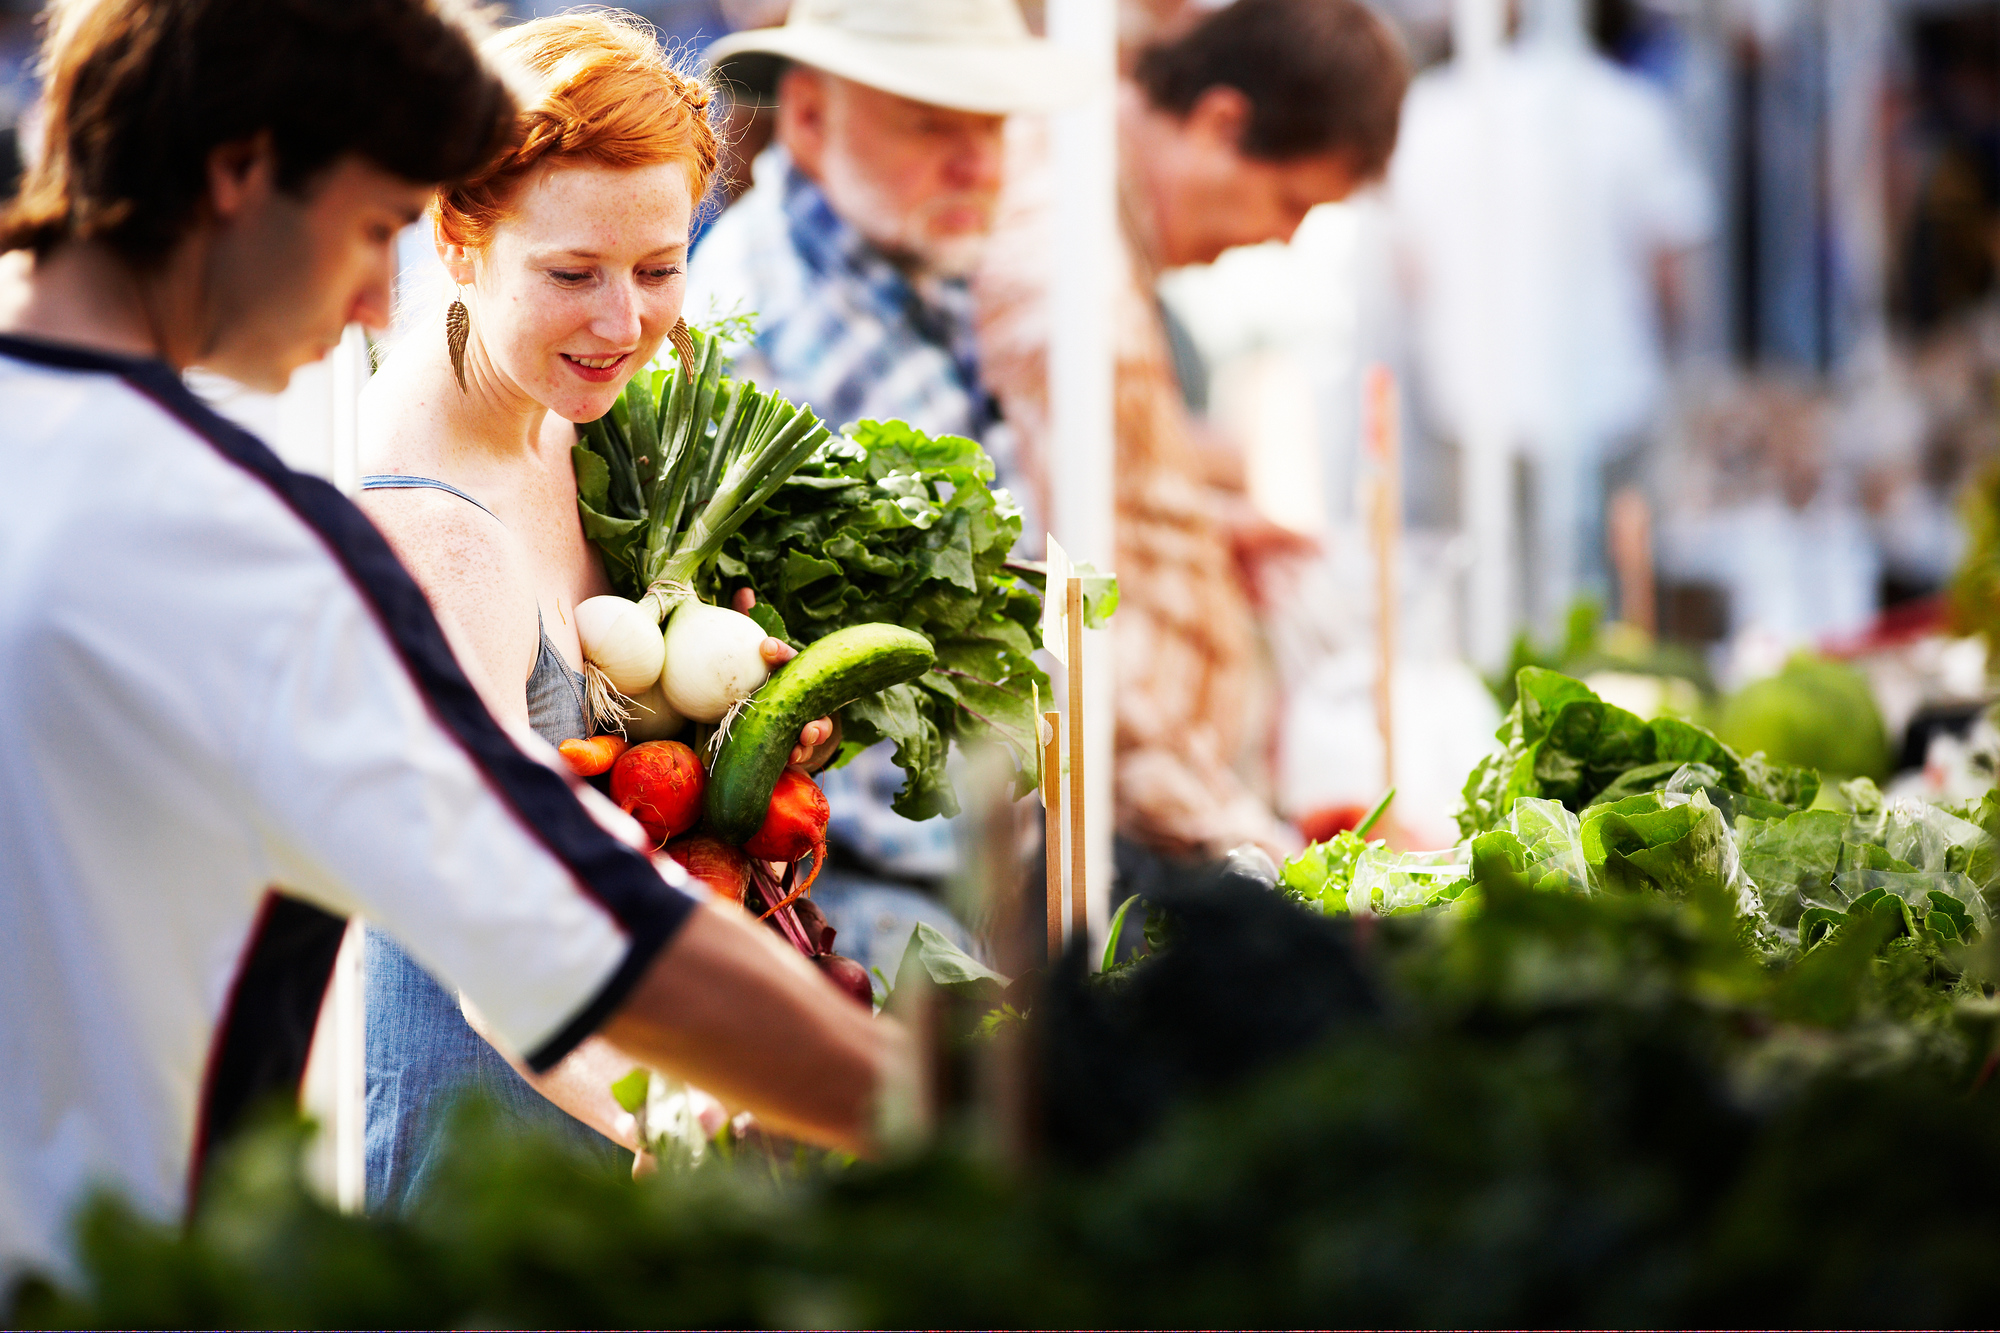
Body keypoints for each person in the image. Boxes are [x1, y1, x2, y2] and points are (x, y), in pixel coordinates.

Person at [0, 0, 895, 1287]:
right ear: (243, 174)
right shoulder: (244, 545)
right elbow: (552, 916)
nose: (379, 295)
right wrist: (927, 1127)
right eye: (375, 228)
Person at [355, 10, 840, 1214]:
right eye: (571, 274)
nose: (624, 324)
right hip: (503, 1172)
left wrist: (739, 732)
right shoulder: (426, 533)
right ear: (457, 243)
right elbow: (490, 930)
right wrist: (676, 1113)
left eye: (660, 268)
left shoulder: (561, 402)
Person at [975, 0, 1410, 881]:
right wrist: (1262, 857)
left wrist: (1198, 523)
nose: (1283, 240)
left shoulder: (1090, 224)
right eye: (1289, 202)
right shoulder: (1070, 267)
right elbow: (1080, 626)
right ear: (1221, 123)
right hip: (1091, 847)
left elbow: (1042, 501)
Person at [686, 0, 1080, 972]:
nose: (975, 164)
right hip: (845, 884)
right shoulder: (760, 316)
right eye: (930, 123)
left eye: (989, 129)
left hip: (966, 864)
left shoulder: (913, 260)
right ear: (811, 119)